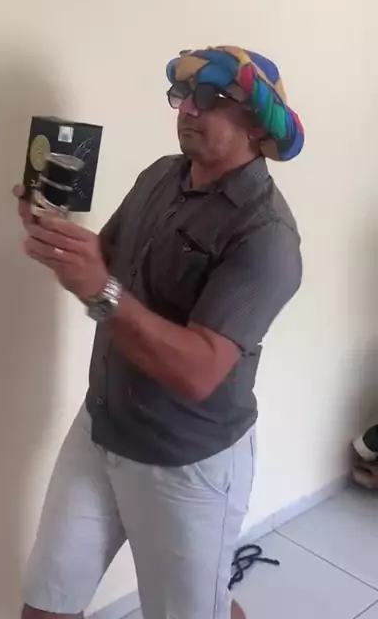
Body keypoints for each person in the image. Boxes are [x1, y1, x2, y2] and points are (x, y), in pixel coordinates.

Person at [15, 46, 304, 619]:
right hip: (101, 425)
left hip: (186, 461)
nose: (188, 109)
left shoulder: (267, 236)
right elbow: (107, 261)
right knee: (45, 607)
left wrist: (98, 289)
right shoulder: (161, 175)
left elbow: (198, 370)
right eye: (182, 95)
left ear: (256, 123)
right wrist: (58, 237)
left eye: (211, 98)